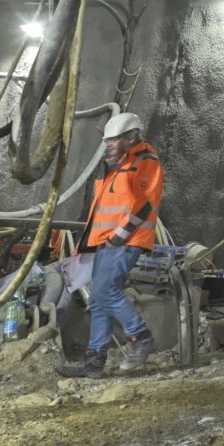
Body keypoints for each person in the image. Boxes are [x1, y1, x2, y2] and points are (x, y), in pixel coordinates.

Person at [59, 112, 161, 379]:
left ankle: (140, 336)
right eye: (107, 141)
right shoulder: (119, 165)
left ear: (132, 137)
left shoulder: (144, 162)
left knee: (106, 292)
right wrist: (89, 243)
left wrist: (119, 236)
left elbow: (145, 203)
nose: (108, 145)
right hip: (105, 241)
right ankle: (94, 362)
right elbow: (103, 208)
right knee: (100, 302)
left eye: (114, 140)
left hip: (124, 242)